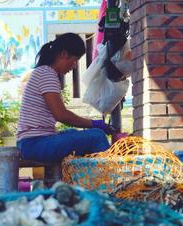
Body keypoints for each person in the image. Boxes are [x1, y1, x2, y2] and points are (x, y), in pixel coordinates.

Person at [17, 32, 115, 163]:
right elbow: (61, 115)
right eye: (74, 60)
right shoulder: (46, 73)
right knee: (96, 136)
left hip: (33, 142)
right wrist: (94, 124)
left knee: (73, 133)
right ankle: (112, 179)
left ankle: (86, 180)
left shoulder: (44, 72)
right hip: (33, 144)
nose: (74, 66)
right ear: (63, 54)